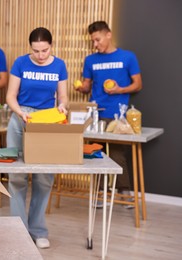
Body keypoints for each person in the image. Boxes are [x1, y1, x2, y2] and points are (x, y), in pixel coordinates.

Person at [5, 27, 68, 249]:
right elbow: (10, 96)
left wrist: (62, 106)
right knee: (17, 177)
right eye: (36, 51)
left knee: (43, 177)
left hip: (46, 121)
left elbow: (62, 96)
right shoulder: (21, 63)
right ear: (30, 47)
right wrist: (20, 112)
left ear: (51, 46)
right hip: (20, 118)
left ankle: (38, 230)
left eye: (45, 50)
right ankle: (18, 230)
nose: (40, 56)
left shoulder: (59, 65)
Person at [75, 21, 143, 206]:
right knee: (96, 153)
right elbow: (87, 85)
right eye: (93, 41)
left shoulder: (127, 57)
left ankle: (124, 193)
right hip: (95, 113)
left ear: (108, 35)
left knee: (117, 153)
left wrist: (120, 90)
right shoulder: (90, 60)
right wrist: (81, 87)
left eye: (97, 40)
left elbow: (137, 84)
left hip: (118, 114)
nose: (95, 44)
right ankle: (100, 193)